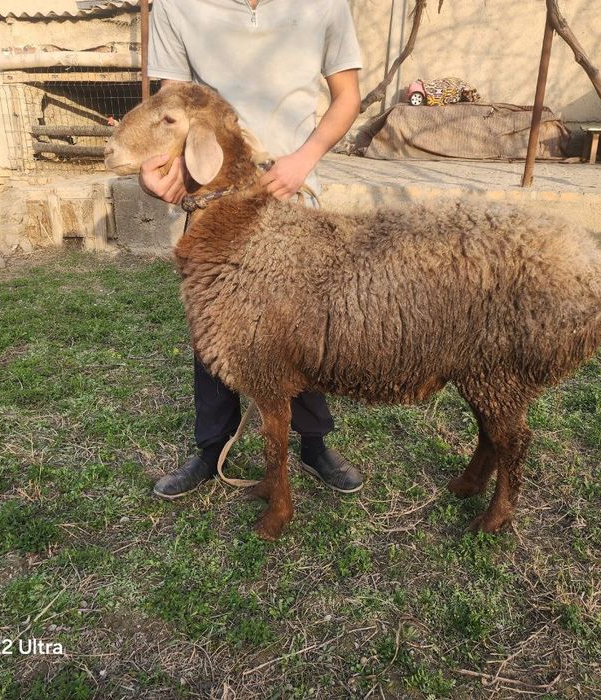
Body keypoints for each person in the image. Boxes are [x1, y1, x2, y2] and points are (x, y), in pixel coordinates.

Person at [141, 0, 365, 499]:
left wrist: (304, 159)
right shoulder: (178, 7)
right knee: (215, 325)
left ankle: (313, 443)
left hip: (290, 190)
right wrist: (159, 168)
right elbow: (171, 105)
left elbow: (347, 96)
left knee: (300, 324)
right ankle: (212, 448)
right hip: (214, 193)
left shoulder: (325, 5)